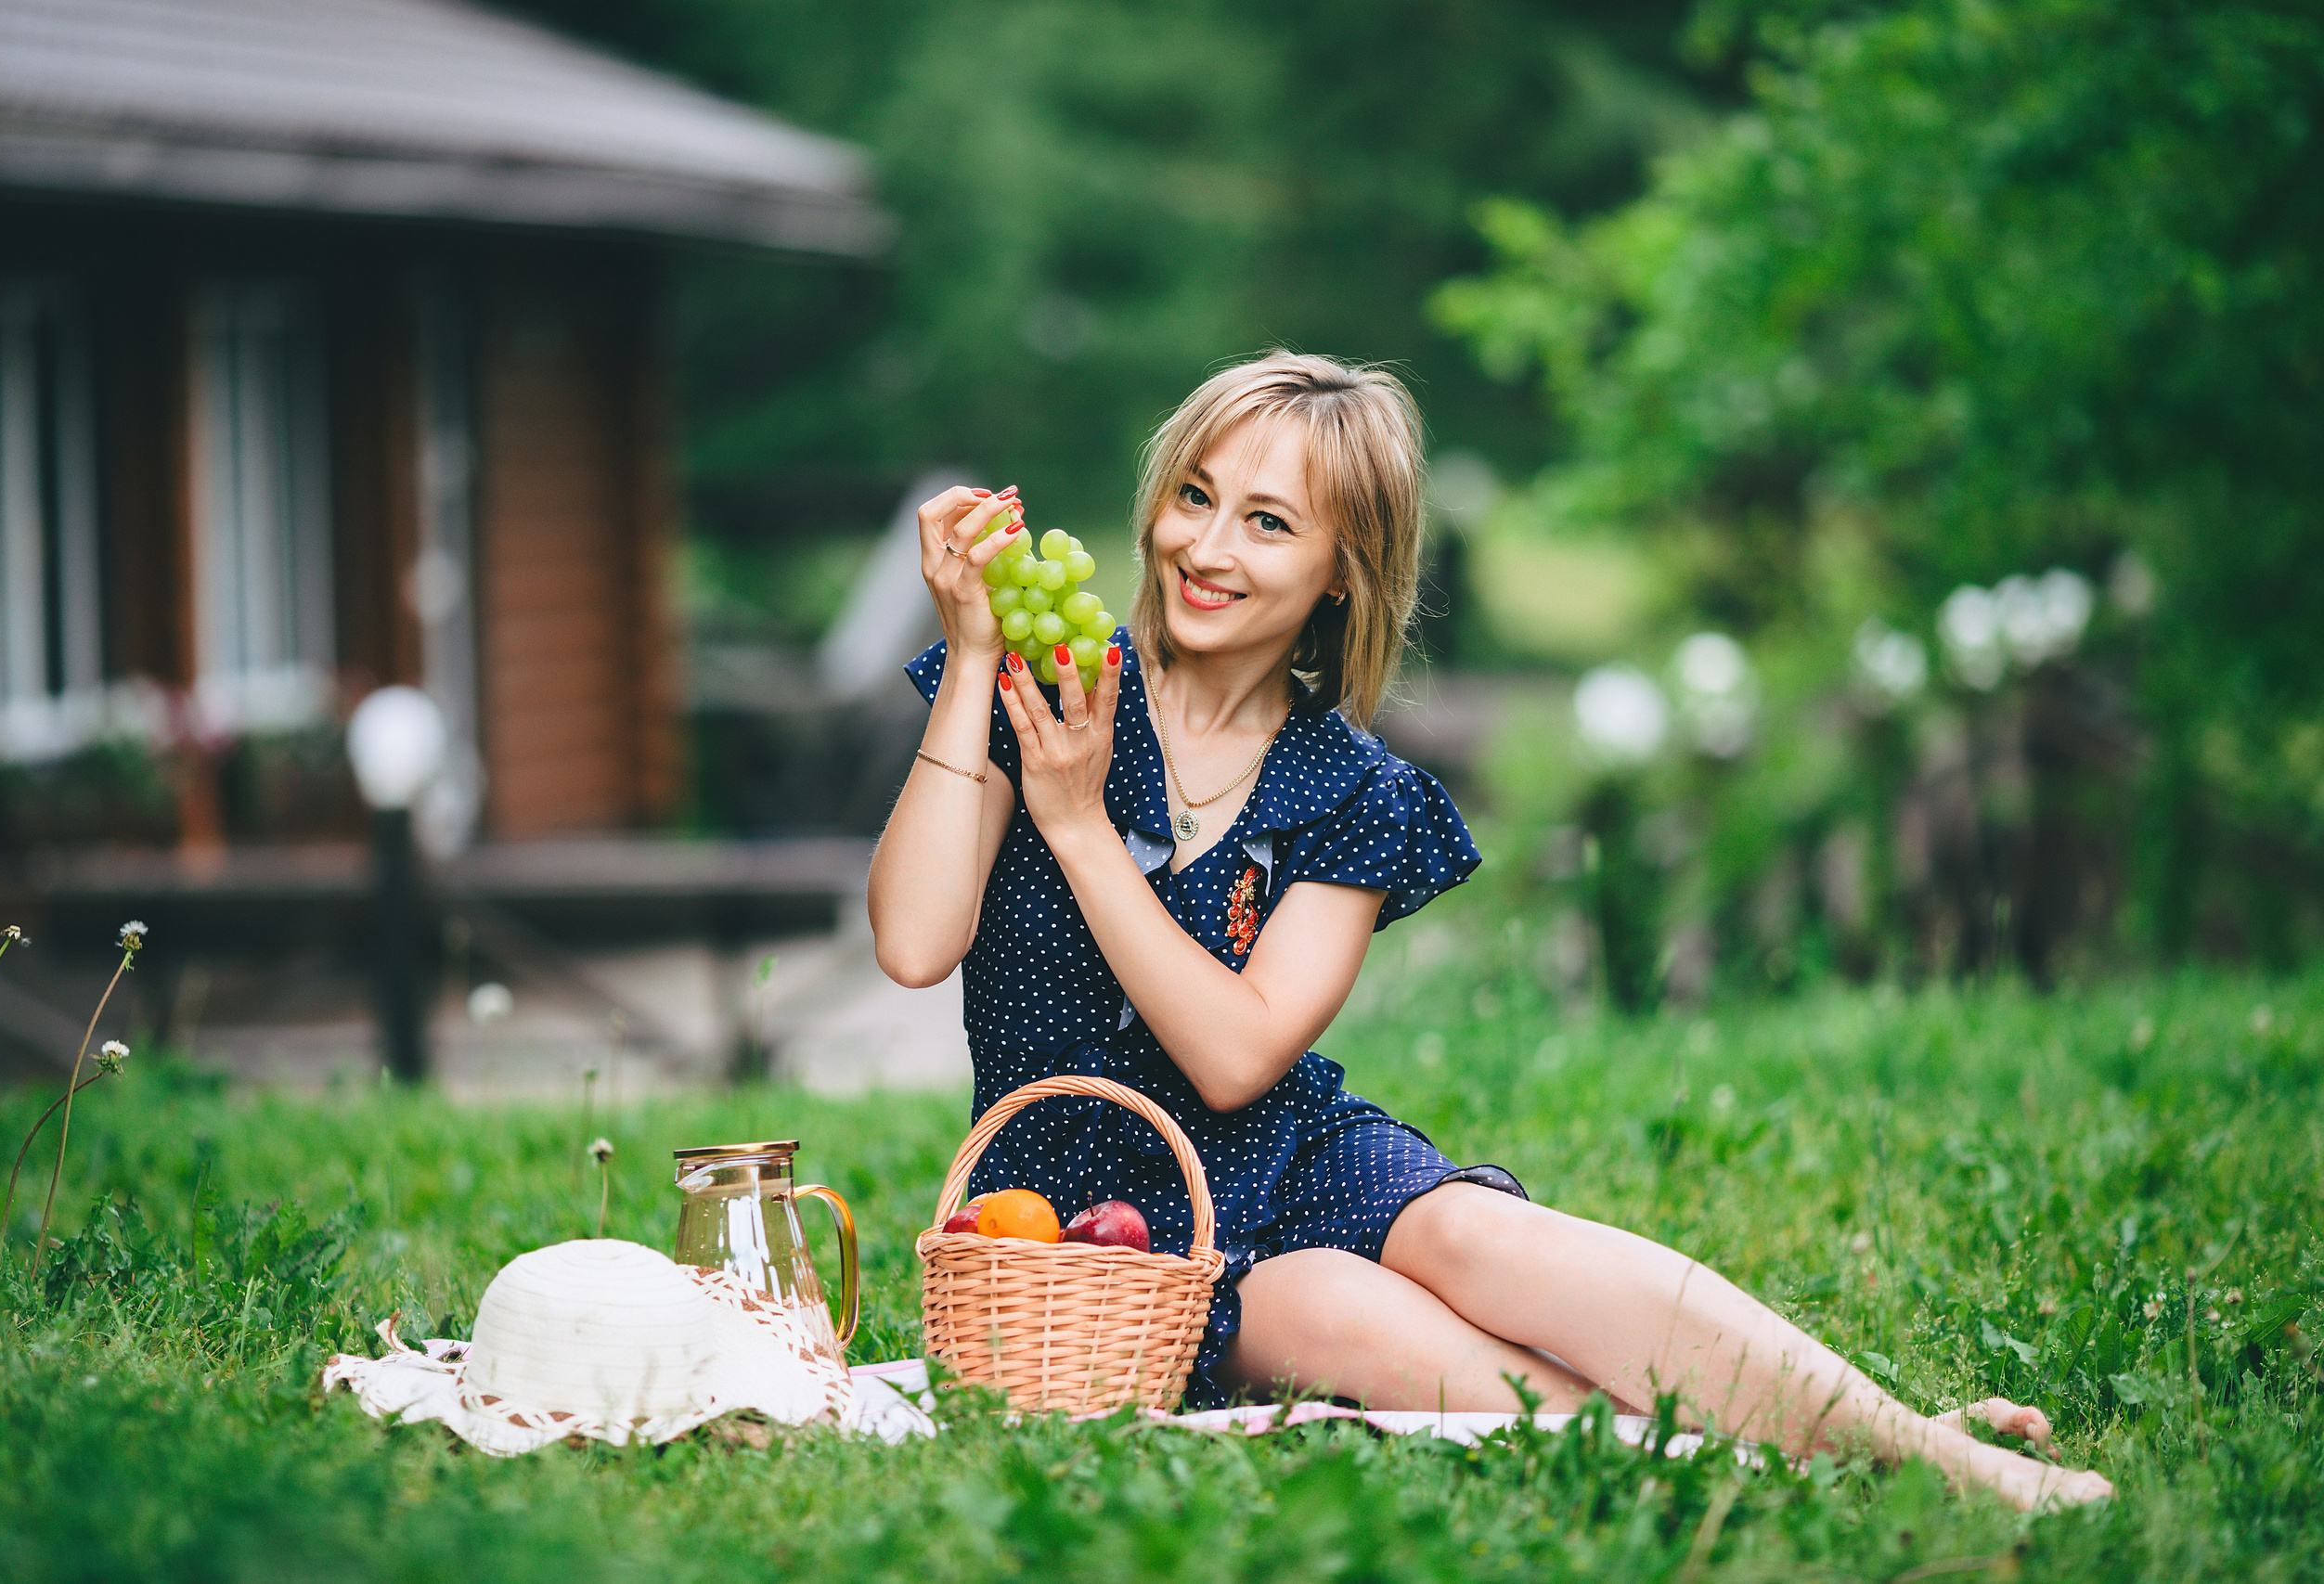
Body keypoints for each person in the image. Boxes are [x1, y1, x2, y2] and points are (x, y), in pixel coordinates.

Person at [867, 352, 2111, 1511]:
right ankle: (1832, 1460)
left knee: (1481, 1233)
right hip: (1095, 1229)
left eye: (1269, 521)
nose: (1207, 544)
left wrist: (1080, 835)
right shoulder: (1042, 694)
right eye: (1195, 494)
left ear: (1342, 570)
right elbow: (914, 943)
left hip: (1288, 1149)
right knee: (1348, 1315)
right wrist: (977, 654)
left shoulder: (1352, 788)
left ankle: (1922, 1448)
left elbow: (1241, 1058)